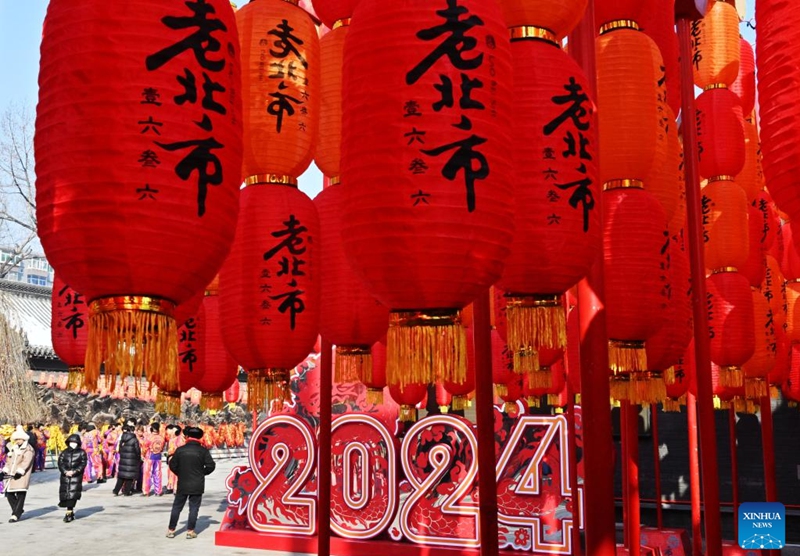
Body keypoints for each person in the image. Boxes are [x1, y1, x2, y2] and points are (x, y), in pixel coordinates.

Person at [166, 426, 215, 539]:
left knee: (177, 507)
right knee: (194, 508)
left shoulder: (180, 450)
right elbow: (211, 465)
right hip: (197, 483)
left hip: (183, 482)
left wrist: (180, 473)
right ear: (200, 437)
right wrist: (202, 472)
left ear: (188, 436)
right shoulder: (203, 451)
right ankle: (190, 531)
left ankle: (171, 530)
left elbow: (172, 465)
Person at [2, 425, 35, 522]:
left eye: (19, 439)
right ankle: (18, 509)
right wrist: (4, 471)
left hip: (22, 475)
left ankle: (15, 514)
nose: (18, 441)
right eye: (16, 439)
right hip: (11, 474)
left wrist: (20, 471)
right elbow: (8, 461)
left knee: (21, 493)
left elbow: (26, 462)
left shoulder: (28, 449)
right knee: (9, 494)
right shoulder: (13, 448)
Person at [58, 433, 87, 522]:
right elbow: (60, 462)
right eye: (71, 442)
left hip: (76, 477)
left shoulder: (81, 452)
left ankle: (69, 513)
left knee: (73, 496)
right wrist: (65, 471)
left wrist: (75, 471)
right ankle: (70, 512)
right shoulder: (64, 452)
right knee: (65, 495)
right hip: (65, 477)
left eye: (75, 442)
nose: (73, 443)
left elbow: (83, 464)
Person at [112, 425, 141, 496]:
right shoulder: (134, 439)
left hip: (123, 459)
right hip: (132, 460)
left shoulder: (122, 438)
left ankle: (116, 490)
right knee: (129, 477)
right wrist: (138, 457)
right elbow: (137, 450)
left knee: (121, 476)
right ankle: (126, 491)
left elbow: (120, 448)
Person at [142, 422, 165, 496]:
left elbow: (144, 447)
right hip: (158, 456)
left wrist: (143, 455)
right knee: (158, 473)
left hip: (149, 456)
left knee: (147, 473)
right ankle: (158, 491)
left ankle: (146, 491)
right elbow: (162, 447)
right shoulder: (161, 438)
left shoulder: (148, 437)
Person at [164, 424, 184, 495]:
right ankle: (171, 487)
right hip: (172, 458)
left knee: (175, 474)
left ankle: (175, 488)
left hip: (176, 458)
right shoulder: (173, 439)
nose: (172, 432)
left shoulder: (179, 439)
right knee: (171, 474)